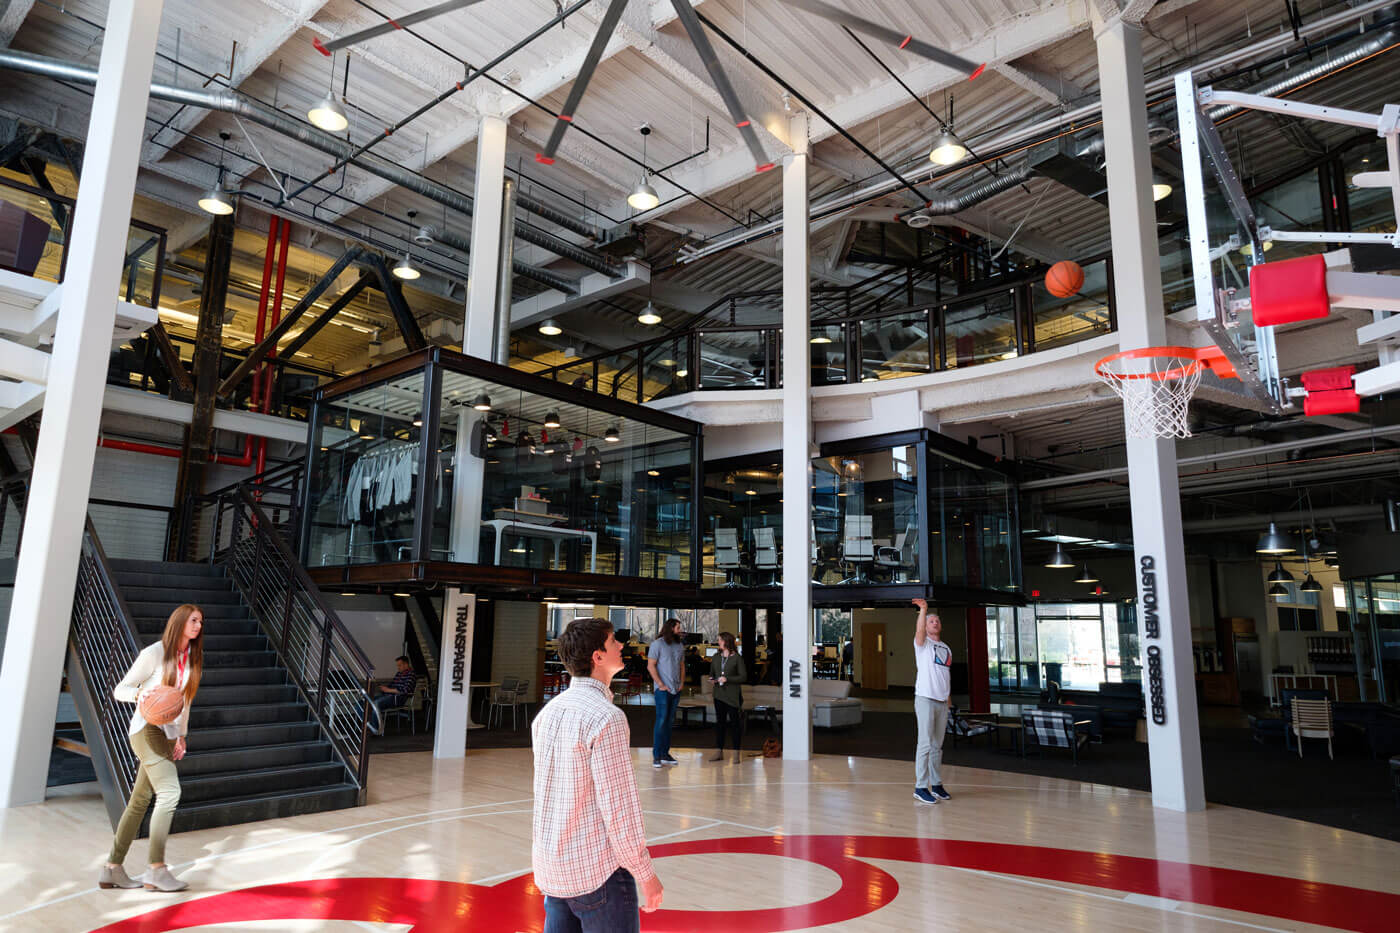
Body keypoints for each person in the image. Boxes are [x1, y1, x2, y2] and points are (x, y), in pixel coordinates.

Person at [531, 619, 664, 931]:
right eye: (614, 641)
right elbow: (619, 807)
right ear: (597, 656)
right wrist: (645, 872)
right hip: (598, 873)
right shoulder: (607, 718)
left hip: (554, 870)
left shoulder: (547, 714)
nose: (621, 646)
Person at [100, 604, 204, 892]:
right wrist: (140, 693)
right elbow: (120, 689)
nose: (198, 625)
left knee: (139, 800)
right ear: (180, 621)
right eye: (193, 620)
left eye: (200, 622)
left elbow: (186, 702)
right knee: (170, 793)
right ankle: (156, 870)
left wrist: (181, 737)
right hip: (146, 731)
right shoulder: (154, 653)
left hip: (168, 735)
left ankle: (112, 868)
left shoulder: (193, 659)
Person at [911, 598, 953, 805]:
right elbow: (919, 632)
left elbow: (945, 674)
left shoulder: (945, 647)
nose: (935, 623)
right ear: (926, 627)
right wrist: (923, 610)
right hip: (925, 699)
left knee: (937, 745)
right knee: (925, 743)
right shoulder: (922, 644)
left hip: (941, 701)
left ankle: (936, 784)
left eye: (937, 620)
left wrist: (948, 699)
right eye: (931, 621)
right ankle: (920, 787)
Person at [646, 618, 684, 769]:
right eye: (678, 627)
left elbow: (681, 666)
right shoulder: (657, 644)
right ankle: (656, 756)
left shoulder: (680, 645)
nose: (680, 630)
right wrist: (660, 684)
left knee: (669, 722)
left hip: (676, 690)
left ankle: (665, 754)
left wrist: (681, 683)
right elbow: (650, 666)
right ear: (671, 628)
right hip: (662, 691)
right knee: (661, 721)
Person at [709, 631, 747, 762]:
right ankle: (719, 751)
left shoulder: (737, 658)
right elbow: (712, 673)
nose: (718, 642)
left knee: (735, 725)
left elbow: (743, 677)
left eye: (720, 640)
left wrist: (727, 679)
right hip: (718, 695)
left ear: (727, 641)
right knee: (720, 724)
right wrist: (712, 679)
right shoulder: (715, 657)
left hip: (732, 696)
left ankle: (736, 753)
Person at [366, 656, 417, 734]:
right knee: (365, 701)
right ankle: (368, 726)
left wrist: (388, 690)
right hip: (389, 696)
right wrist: (385, 688)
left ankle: (375, 730)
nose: (398, 667)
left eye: (399, 665)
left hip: (398, 699)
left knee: (375, 704)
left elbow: (405, 690)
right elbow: (392, 685)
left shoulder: (411, 675)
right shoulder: (399, 674)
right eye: (397, 665)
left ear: (406, 664)